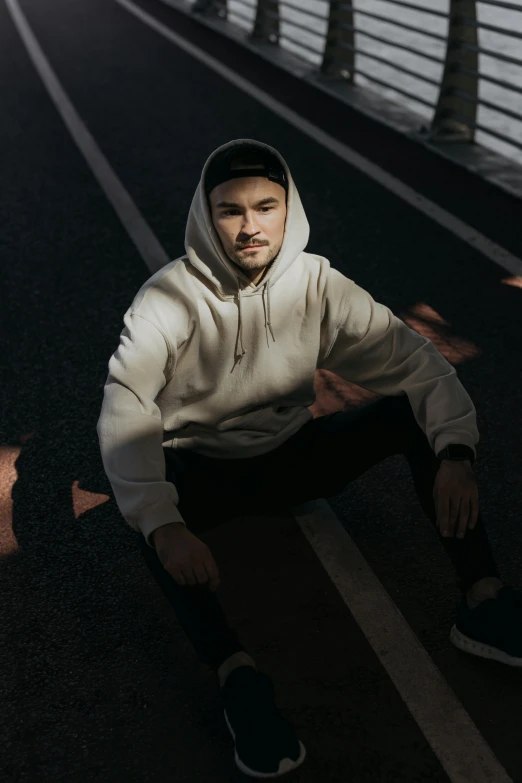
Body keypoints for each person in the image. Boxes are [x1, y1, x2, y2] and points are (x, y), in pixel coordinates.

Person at [97, 138, 521, 779]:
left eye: (265, 207)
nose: (249, 227)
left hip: (291, 457)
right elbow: (125, 409)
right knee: (148, 521)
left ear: (287, 209)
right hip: (204, 471)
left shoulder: (316, 283)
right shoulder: (165, 301)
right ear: (205, 217)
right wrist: (165, 526)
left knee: (414, 414)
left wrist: (455, 450)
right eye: (229, 211)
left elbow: (412, 357)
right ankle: (236, 674)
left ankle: (482, 597)